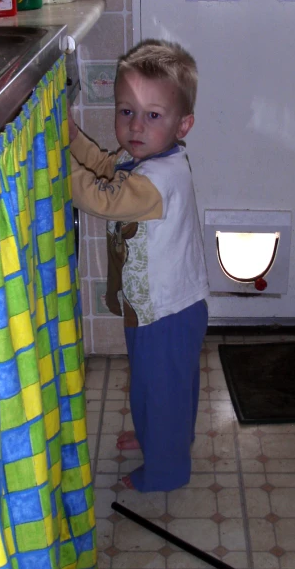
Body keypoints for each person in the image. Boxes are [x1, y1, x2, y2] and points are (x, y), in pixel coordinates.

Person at [68, 39, 209, 492]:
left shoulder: (155, 181)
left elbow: (101, 196)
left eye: (153, 115)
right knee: (165, 386)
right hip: (164, 307)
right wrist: (69, 138)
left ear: (182, 123)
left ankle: (167, 470)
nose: (135, 125)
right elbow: (108, 166)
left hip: (165, 314)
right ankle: (162, 438)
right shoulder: (150, 158)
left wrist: (55, 165)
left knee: (159, 390)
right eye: (126, 111)